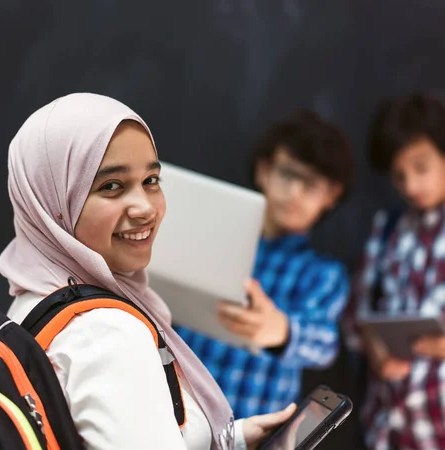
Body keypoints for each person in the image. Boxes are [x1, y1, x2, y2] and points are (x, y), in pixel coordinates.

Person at [0, 93, 296, 450]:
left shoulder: (33, 300)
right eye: (111, 186)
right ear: (53, 204)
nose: (144, 207)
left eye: (151, 180)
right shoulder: (107, 334)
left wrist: (234, 442)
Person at [176, 111, 354, 418]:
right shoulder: (212, 238)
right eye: (287, 175)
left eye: (311, 185)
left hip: (250, 427)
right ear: (264, 171)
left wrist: (282, 331)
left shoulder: (323, 274)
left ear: (331, 196)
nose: (294, 193)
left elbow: (325, 342)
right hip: (178, 415)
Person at [344, 92, 445, 449]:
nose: (410, 185)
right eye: (398, 175)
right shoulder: (388, 227)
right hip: (386, 428)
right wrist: (374, 346)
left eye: (421, 167)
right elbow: (356, 318)